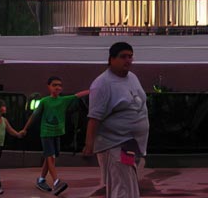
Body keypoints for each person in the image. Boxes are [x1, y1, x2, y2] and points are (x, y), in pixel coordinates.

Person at [83, 42, 149, 198]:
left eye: (130, 56)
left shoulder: (132, 77)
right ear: (111, 59)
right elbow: (94, 118)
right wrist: (89, 145)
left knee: (129, 185)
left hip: (131, 143)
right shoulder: (102, 84)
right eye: (123, 57)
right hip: (115, 145)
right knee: (121, 187)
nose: (128, 60)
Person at [23, 76, 90, 195]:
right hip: (47, 133)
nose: (57, 87)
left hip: (57, 133)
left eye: (59, 85)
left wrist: (94, 89)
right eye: (54, 85)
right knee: (51, 157)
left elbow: (78, 95)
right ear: (48, 87)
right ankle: (56, 182)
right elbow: (34, 115)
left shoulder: (63, 100)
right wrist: (25, 129)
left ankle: (41, 179)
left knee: (50, 157)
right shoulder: (44, 101)